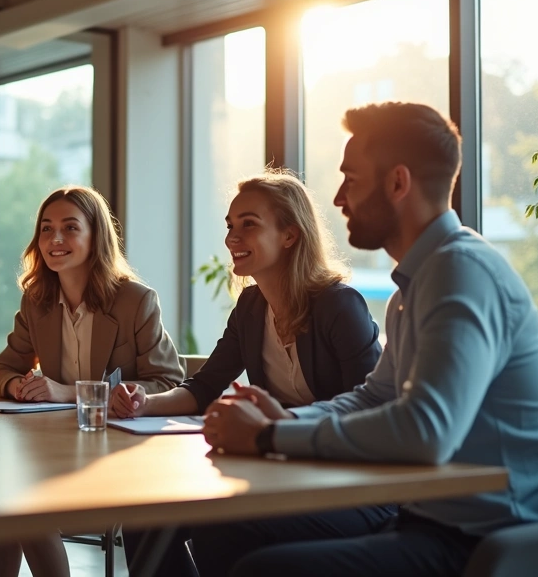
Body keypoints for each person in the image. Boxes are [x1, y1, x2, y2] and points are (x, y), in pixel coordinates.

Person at [192, 102, 538, 577]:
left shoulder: (461, 272)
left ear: (397, 183)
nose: (337, 199)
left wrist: (271, 434)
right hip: (429, 520)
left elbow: (426, 432)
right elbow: (376, 396)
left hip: (491, 538)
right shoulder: (413, 289)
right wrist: (285, 417)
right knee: (219, 531)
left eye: (350, 179)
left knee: (262, 567)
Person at [114, 169, 385, 577]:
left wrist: (277, 431)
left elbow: (369, 414)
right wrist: (144, 403)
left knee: (221, 530)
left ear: (290, 235)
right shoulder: (251, 306)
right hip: (279, 470)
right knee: (144, 514)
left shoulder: (338, 306)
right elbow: (204, 386)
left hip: (351, 485)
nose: (231, 238)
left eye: (248, 225)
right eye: (230, 226)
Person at [0, 185, 183, 577]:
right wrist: (17, 386)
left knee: (18, 503)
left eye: (70, 228)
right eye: (46, 228)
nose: (55, 239)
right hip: (55, 449)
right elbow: (2, 370)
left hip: (120, 454)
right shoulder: (36, 301)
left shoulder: (136, 301)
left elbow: (168, 381)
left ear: (96, 238)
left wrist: (67, 392)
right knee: (3, 501)